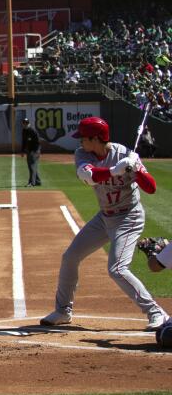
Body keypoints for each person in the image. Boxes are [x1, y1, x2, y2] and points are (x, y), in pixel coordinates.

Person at [40, 117, 168, 331]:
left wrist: (136, 170)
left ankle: (156, 312)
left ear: (96, 138)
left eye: (83, 138)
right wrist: (113, 171)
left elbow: (151, 187)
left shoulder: (125, 155)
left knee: (117, 268)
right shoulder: (83, 154)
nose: (80, 142)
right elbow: (87, 176)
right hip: (105, 216)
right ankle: (63, 311)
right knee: (70, 257)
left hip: (129, 217)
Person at [21, 116, 41, 186]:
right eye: (24, 123)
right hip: (29, 151)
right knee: (31, 166)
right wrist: (22, 151)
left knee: (32, 166)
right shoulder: (24, 131)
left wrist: (34, 151)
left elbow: (38, 141)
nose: (25, 124)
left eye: (26, 123)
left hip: (35, 150)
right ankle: (38, 181)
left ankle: (31, 183)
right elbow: (23, 141)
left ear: (28, 123)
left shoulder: (32, 130)